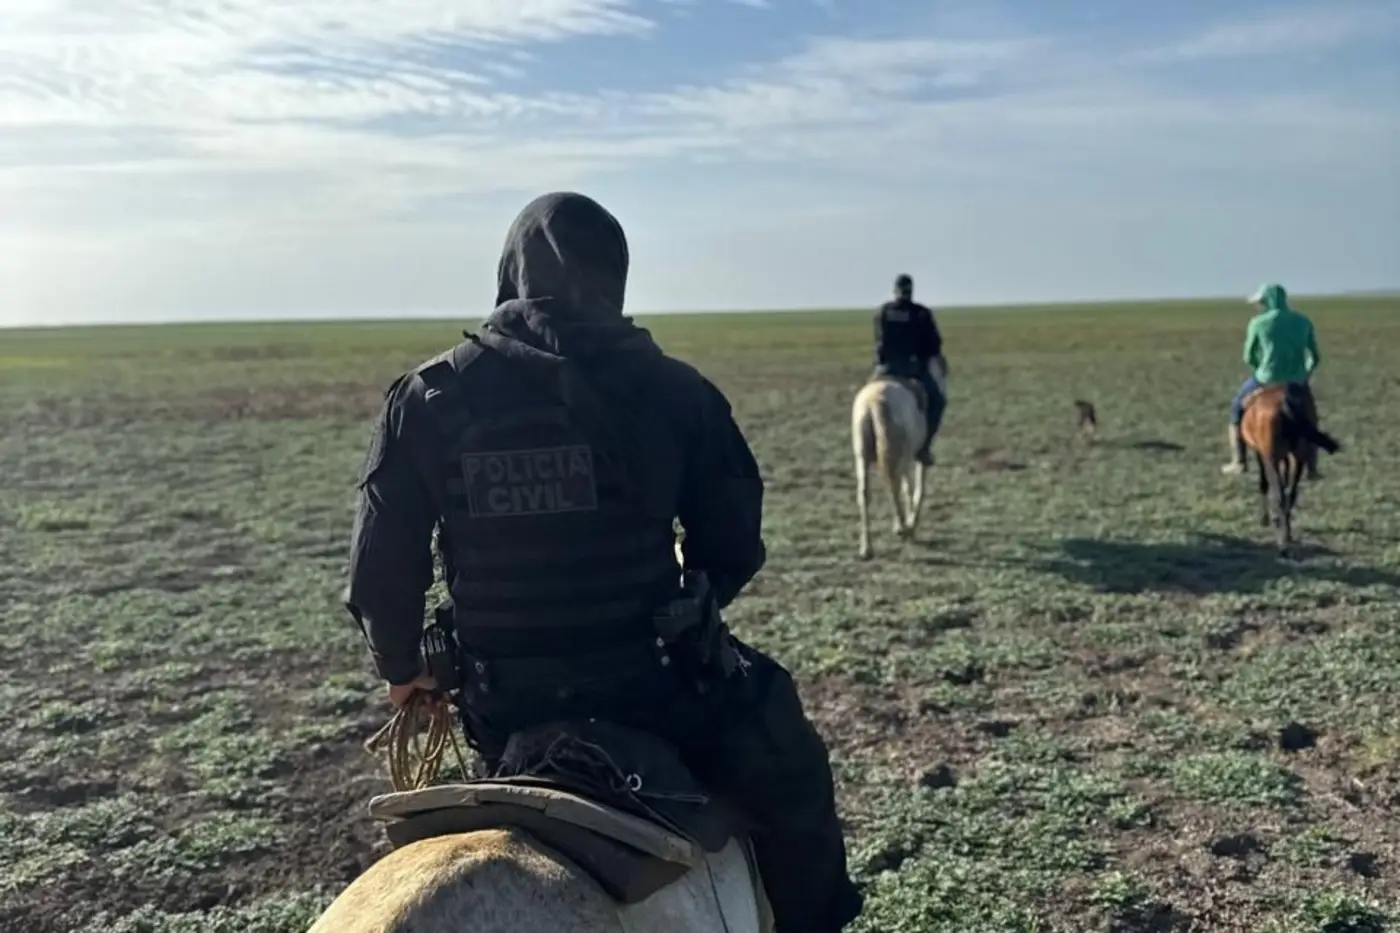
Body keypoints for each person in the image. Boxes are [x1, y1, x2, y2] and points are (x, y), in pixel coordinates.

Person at [343, 191, 863, 933]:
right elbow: (734, 545)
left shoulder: (429, 397)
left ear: (510, 273)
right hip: (657, 692)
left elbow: (380, 575)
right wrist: (692, 591)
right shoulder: (677, 391)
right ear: (615, 274)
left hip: (502, 706)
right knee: (789, 760)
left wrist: (402, 667)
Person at [1221, 283, 1322, 476]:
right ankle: (1312, 467)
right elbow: (1315, 356)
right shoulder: (1303, 321)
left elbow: (1249, 356)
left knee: (1236, 409)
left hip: (1265, 379)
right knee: (1311, 418)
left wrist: (1260, 370)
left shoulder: (1258, 323)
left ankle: (1239, 461)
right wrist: (1304, 374)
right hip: (1296, 382)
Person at [873, 273, 946, 464]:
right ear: (911, 290)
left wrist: (882, 363)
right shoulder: (921, 313)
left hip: (886, 369)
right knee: (937, 401)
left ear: (894, 290)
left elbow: (880, 342)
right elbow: (933, 345)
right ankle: (924, 447)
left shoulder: (883, 312)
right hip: (913, 369)